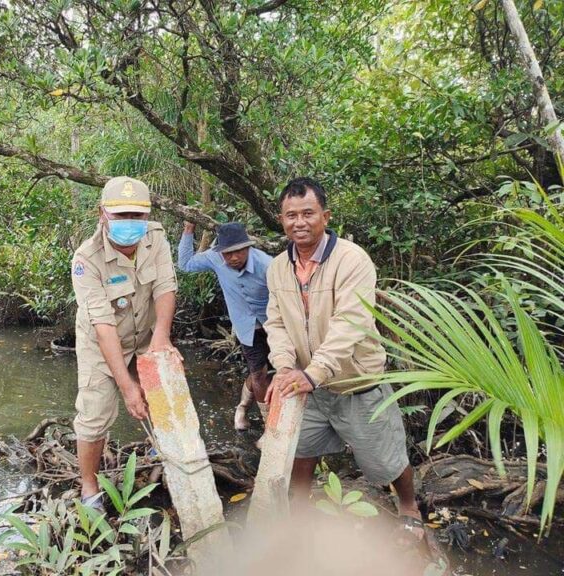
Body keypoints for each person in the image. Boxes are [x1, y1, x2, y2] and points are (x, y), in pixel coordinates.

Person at [263, 176, 423, 539]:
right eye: (291, 215)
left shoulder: (352, 260)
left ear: (325, 216)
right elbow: (276, 322)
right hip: (307, 383)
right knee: (302, 449)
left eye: (308, 213)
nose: (299, 222)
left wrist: (314, 372)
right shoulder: (277, 267)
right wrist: (284, 366)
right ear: (281, 219)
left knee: (386, 458)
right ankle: (299, 513)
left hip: (356, 382)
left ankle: (409, 506)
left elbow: (350, 323)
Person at [71, 176, 179, 510]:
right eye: (121, 215)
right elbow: (103, 327)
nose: (130, 222)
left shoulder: (155, 237)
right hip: (101, 342)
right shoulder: (87, 259)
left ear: (147, 215)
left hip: (145, 331)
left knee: (161, 393)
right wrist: (127, 385)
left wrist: (161, 339)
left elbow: (165, 287)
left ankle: (160, 451)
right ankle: (89, 488)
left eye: (137, 215)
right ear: (102, 213)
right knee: (96, 413)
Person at [178, 222, 273, 436]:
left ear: (248, 247)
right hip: (246, 327)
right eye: (227, 253)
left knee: (281, 371)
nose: (234, 258)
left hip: (275, 324)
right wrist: (188, 230)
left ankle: (244, 406)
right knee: (259, 373)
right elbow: (185, 264)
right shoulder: (214, 258)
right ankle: (268, 426)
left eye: (239, 251)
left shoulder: (267, 265)